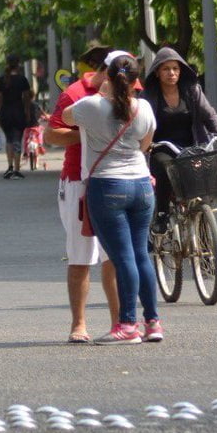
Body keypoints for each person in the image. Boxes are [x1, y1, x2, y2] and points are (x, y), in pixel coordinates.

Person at [63, 54, 160, 344]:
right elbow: (145, 145)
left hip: (107, 186)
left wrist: (102, 91)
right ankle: (152, 322)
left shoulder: (91, 105)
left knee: (123, 257)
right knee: (141, 253)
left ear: (107, 75)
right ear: (134, 80)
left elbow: (66, 118)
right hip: (142, 185)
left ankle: (128, 324)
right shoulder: (143, 107)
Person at [46, 52, 120, 343]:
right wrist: (89, 133)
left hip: (117, 180)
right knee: (81, 254)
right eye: (116, 72)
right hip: (79, 182)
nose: (125, 81)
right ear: (102, 71)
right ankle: (79, 324)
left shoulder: (129, 90)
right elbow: (51, 134)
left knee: (114, 256)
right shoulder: (75, 94)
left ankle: (120, 323)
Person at [141, 46, 217, 232]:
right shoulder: (148, 96)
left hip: (192, 146)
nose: (171, 73)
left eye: (175, 68)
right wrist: (144, 143)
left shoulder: (192, 90)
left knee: (202, 189)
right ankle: (162, 214)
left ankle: (205, 237)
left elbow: (209, 115)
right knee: (164, 168)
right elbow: (140, 123)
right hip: (161, 147)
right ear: (157, 72)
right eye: (166, 69)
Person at [0, 54, 33, 178]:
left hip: (5, 113)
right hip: (18, 112)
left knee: (9, 139)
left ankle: (10, 167)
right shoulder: (22, 79)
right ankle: (16, 169)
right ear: (18, 64)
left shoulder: (2, 79)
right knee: (17, 139)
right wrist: (27, 112)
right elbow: (26, 98)